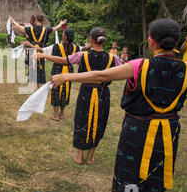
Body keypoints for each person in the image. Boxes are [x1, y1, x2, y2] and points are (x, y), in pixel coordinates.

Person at [50, 19, 187, 192]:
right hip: (166, 137)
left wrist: (65, 77)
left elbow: (99, 76)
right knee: (152, 185)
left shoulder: (139, 66)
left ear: (151, 41)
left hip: (136, 135)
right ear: (176, 42)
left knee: (131, 182)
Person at [38, 27, 123, 165]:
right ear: (103, 41)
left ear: (91, 40)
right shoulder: (113, 58)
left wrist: (44, 55)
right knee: (99, 122)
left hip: (86, 92)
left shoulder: (82, 55)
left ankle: (79, 156)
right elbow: (124, 68)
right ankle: (90, 157)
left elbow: (63, 60)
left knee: (81, 120)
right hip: (103, 94)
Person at [23, 21, 75, 121]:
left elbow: (41, 50)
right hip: (69, 71)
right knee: (65, 91)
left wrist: (29, 44)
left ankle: (56, 115)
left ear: (64, 37)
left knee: (55, 91)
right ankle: (62, 114)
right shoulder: (76, 47)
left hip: (57, 70)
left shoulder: (56, 46)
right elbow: (83, 48)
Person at [10, 16, 66, 90]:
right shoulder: (46, 29)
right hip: (40, 51)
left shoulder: (31, 29)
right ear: (42, 21)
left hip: (32, 51)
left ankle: (33, 88)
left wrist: (14, 22)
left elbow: (21, 28)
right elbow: (55, 28)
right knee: (39, 70)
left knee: (32, 69)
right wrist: (61, 24)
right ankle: (36, 88)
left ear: (36, 20)